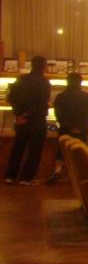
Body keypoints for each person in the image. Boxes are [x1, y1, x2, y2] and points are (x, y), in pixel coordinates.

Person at [5, 56, 52, 185]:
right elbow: (41, 103)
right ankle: (26, 178)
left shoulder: (21, 79)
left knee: (17, 148)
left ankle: (10, 176)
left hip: (21, 120)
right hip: (37, 121)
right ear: (44, 66)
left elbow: (11, 98)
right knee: (34, 151)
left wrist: (19, 115)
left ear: (31, 65)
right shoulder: (44, 82)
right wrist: (28, 115)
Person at [48, 71, 88, 183]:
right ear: (80, 82)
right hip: (82, 130)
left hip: (65, 129)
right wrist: (81, 127)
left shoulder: (61, 96)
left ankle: (58, 170)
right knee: (80, 153)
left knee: (62, 151)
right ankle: (77, 176)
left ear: (67, 81)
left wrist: (68, 126)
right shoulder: (87, 97)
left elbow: (58, 114)